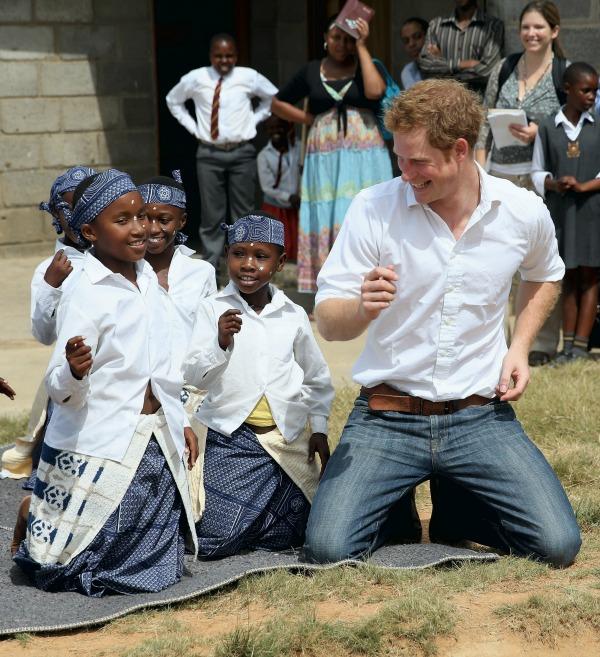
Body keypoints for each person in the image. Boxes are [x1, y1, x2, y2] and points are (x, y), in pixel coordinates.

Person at [303, 79, 581, 569]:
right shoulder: (374, 207)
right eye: (400, 159)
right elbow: (328, 321)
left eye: (418, 163)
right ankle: (398, 510)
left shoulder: (520, 211)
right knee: (327, 550)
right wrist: (362, 308)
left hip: (479, 417)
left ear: (459, 150)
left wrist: (518, 347)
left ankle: (458, 507)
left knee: (557, 545)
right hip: (386, 416)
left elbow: (545, 274)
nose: (405, 173)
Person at [13, 169, 199, 596]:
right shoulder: (86, 290)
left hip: (153, 434)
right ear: (90, 232)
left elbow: (166, 364)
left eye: (143, 217)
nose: (142, 229)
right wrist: (76, 370)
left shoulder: (150, 280)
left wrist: (180, 419)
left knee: (160, 556)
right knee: (66, 569)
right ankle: (36, 514)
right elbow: (60, 386)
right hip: (102, 435)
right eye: (124, 220)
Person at [182, 214, 334, 558]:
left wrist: (320, 429)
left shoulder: (292, 314)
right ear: (227, 257)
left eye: (260, 256)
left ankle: (262, 522)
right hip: (232, 437)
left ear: (280, 263)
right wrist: (219, 342)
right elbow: (192, 375)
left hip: (286, 440)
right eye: (239, 254)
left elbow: (317, 377)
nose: (248, 265)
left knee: (308, 526)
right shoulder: (212, 309)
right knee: (215, 538)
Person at [475, 1, 568, 366]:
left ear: (554, 32)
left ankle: (541, 342)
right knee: (497, 257)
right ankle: (496, 340)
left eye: (539, 28)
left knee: (540, 258)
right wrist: (480, 172)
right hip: (498, 173)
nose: (532, 34)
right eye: (526, 27)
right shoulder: (505, 67)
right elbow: (484, 119)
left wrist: (539, 132)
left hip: (540, 178)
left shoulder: (563, 73)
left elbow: (575, 125)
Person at [272, 15, 393, 293]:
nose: (340, 43)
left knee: (365, 207)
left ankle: (371, 284)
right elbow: (277, 103)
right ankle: (330, 288)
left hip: (364, 149)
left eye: (346, 38)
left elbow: (375, 91)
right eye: (335, 36)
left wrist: (362, 46)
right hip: (324, 151)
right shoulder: (312, 70)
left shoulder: (363, 66)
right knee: (327, 210)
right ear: (325, 39)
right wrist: (308, 119)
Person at [1, 167, 97, 482]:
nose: (79, 215)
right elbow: (43, 334)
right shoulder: (49, 269)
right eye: (69, 208)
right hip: (73, 377)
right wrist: (51, 286)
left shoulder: (121, 259)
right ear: (56, 212)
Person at [166, 33, 278, 270]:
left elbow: (271, 97)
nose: (224, 60)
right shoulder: (196, 78)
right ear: (211, 56)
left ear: (236, 56)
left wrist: (254, 120)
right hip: (209, 152)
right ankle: (211, 268)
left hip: (241, 152)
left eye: (229, 56)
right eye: (219, 56)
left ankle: (243, 264)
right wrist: (194, 128)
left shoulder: (248, 76)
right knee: (212, 213)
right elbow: (173, 100)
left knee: (243, 211)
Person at [531, 63, 600, 363]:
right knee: (568, 274)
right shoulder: (548, 126)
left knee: (591, 276)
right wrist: (552, 182)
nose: (592, 97)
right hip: (561, 212)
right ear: (567, 89)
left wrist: (584, 186)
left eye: (595, 91)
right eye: (586, 90)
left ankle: (582, 347)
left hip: (592, 212)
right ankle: (567, 347)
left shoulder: (598, 125)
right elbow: (535, 170)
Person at [418, 0, 503, 96]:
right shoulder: (436, 25)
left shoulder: (493, 26)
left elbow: (489, 71)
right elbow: (425, 66)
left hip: (475, 104)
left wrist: (442, 68)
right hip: (443, 102)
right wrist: (464, 64)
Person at [257, 116, 301, 260]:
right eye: (271, 128)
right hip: (275, 208)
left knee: (297, 248)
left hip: (297, 207)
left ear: (287, 128)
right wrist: (289, 197)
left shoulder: (299, 148)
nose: (276, 131)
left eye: (279, 127)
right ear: (266, 131)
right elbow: (267, 187)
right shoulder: (263, 156)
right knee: (278, 248)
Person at [400, 17, 428, 90]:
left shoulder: (447, 66)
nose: (411, 44)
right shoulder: (408, 71)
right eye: (406, 41)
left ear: (429, 36)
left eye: (417, 36)